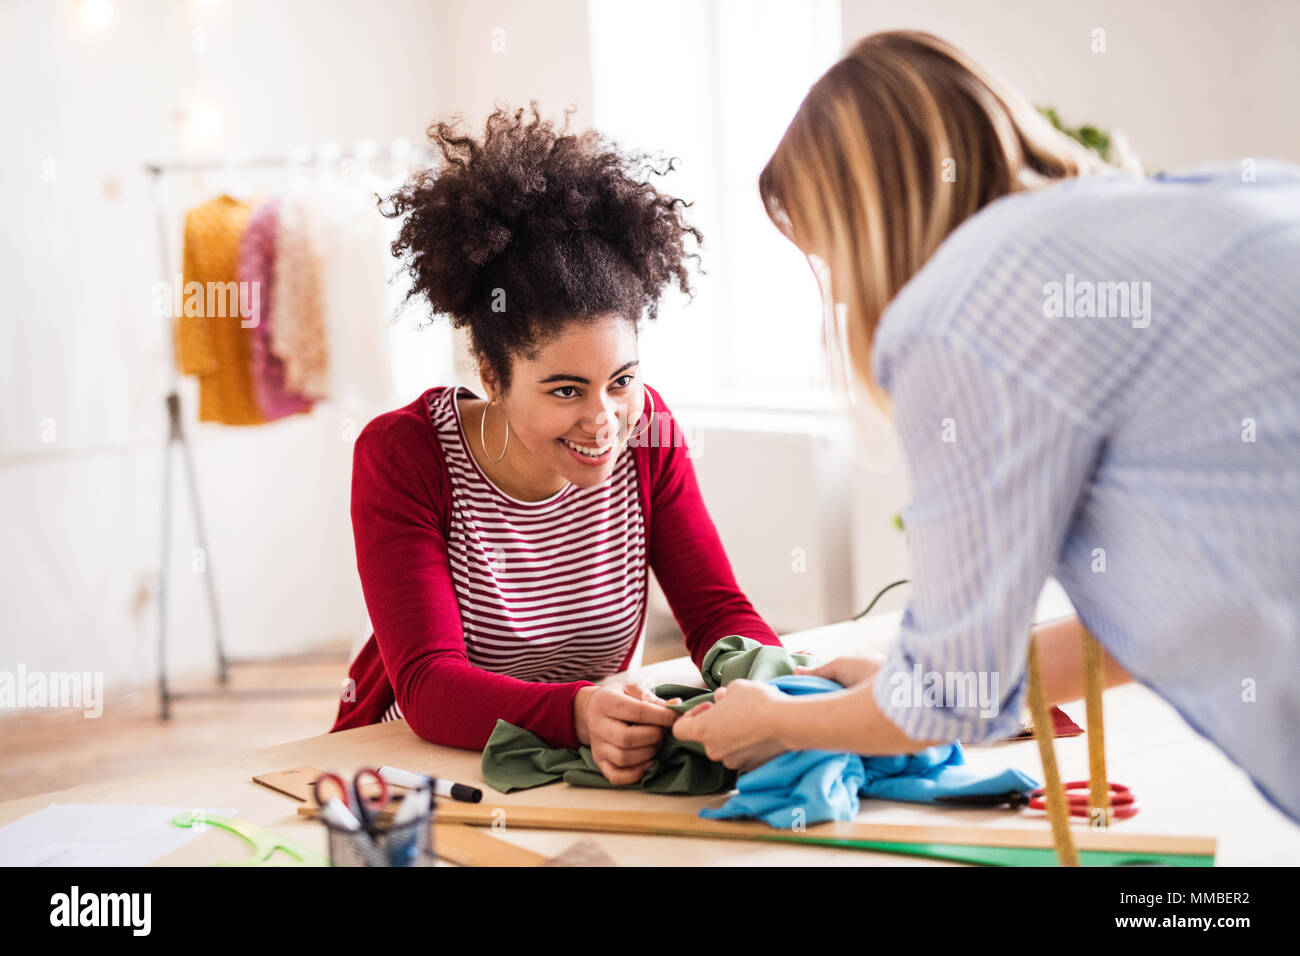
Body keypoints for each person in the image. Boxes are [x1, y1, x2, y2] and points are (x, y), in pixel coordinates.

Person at [673, 30, 1300, 823]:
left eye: (827, 257)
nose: (838, 291)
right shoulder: (1204, 200)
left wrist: (778, 720)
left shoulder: (968, 302)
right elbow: (1183, 605)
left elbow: (944, 700)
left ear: (865, 226)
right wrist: (902, 681)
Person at [330, 106, 785, 786]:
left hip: (582, 758)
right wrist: (577, 712)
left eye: (622, 380)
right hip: (419, 772)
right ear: (492, 377)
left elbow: (717, 611)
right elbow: (429, 685)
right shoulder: (406, 457)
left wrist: (777, 695)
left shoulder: (648, 431)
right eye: (566, 391)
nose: (604, 420)